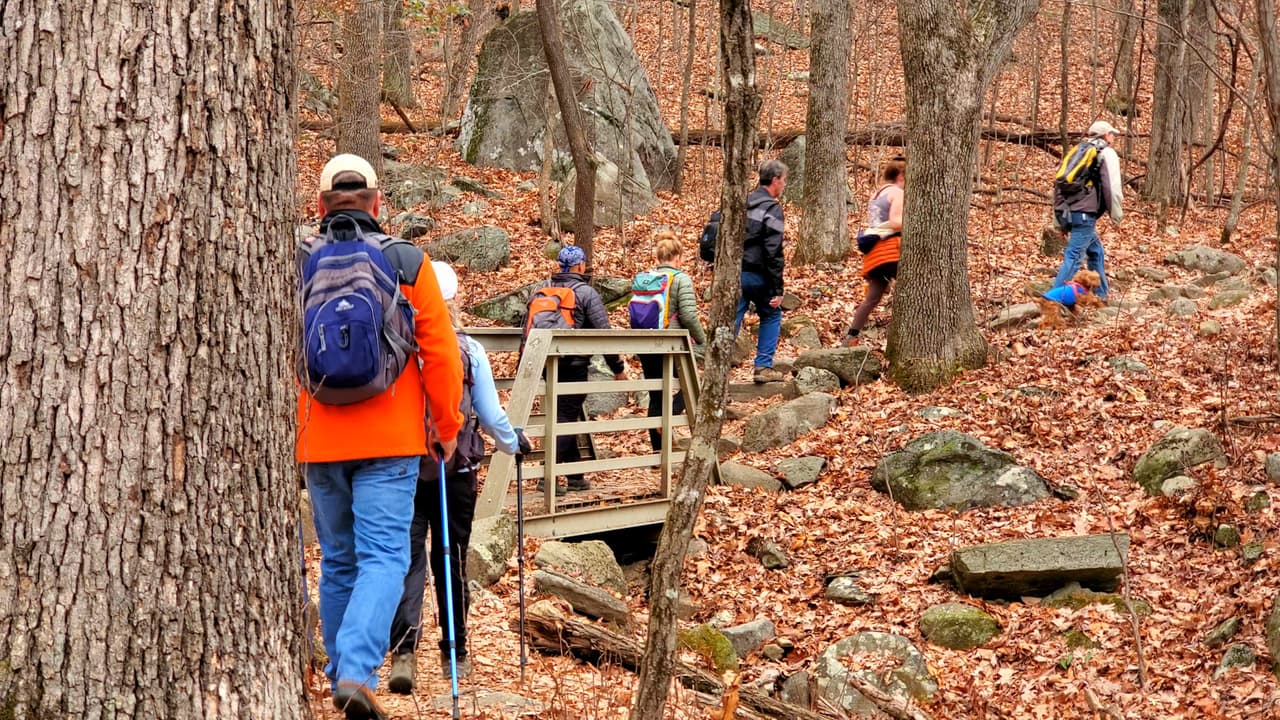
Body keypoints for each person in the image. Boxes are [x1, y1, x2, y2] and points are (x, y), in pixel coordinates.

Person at [297, 154, 463, 720]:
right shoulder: (406, 261)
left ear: (320, 206)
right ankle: (354, 672)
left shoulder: (297, 262)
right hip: (391, 439)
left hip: (318, 437)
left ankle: (346, 671)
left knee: (339, 560)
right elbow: (441, 355)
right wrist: (446, 427)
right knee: (386, 558)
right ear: (378, 202)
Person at [388, 261, 532, 692]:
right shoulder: (468, 350)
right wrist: (514, 443)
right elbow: (489, 415)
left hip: (404, 468)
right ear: (455, 301)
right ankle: (456, 651)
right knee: (449, 557)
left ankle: (404, 651)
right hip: (456, 468)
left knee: (408, 559)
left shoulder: (398, 347)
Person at [530, 245, 625, 494]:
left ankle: (574, 476)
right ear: (580, 266)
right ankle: (547, 476)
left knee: (564, 415)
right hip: (573, 366)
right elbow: (604, 334)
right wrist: (618, 367)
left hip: (546, 364)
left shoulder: (541, 291)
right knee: (565, 417)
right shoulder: (586, 293)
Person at [636, 230, 707, 450]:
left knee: (656, 395)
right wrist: (702, 339)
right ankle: (668, 420)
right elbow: (688, 314)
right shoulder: (681, 279)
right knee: (696, 384)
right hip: (671, 345)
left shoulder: (645, 279)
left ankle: (659, 450)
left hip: (646, 344)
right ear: (678, 257)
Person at [1051, 120, 1124, 299]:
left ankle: (1101, 295)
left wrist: (1059, 222)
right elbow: (1112, 188)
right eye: (1112, 134)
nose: (1113, 137)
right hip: (1084, 215)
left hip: (1066, 212)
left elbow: (1058, 186)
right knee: (1074, 256)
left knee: (1095, 250)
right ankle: (1054, 299)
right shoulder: (1106, 153)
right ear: (1106, 135)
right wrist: (1117, 217)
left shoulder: (1076, 151)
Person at [843, 156, 906, 345]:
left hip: (874, 254)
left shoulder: (877, 193)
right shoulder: (897, 192)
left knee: (872, 299)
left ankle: (851, 337)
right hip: (890, 252)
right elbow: (895, 222)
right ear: (901, 175)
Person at [735, 159, 787, 384]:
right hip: (757, 273)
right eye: (784, 180)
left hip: (734, 272)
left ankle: (716, 369)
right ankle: (763, 366)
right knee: (772, 313)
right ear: (775, 180)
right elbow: (773, 251)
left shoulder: (741, 201)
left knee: (731, 320)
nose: (784, 185)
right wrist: (777, 289)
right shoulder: (771, 208)